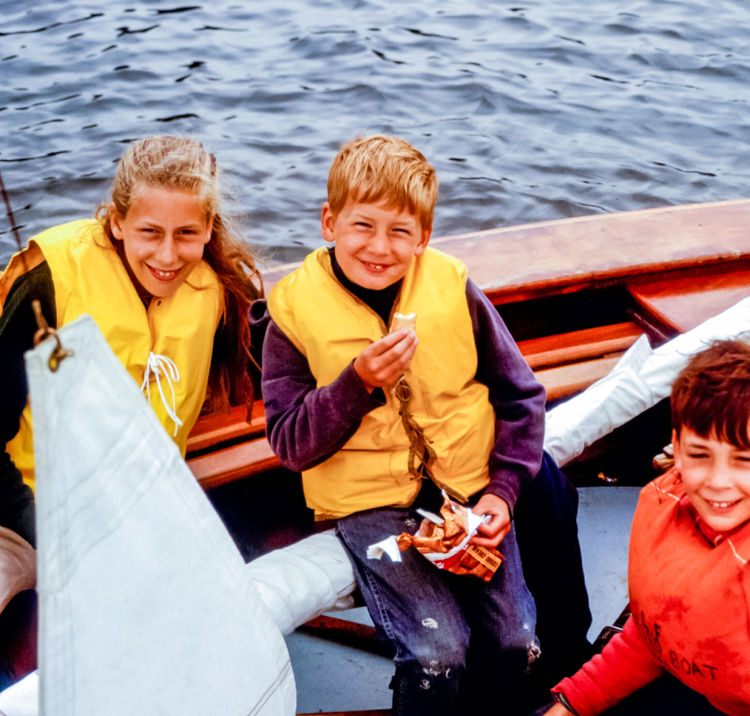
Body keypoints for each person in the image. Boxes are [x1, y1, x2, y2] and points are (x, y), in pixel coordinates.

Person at [261, 134, 590, 714]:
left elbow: (520, 396)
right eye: (362, 226)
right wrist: (355, 384)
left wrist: (503, 495)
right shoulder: (291, 313)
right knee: (438, 654)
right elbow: (289, 443)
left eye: (400, 231)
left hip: (471, 493)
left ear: (424, 237)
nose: (379, 247)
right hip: (372, 507)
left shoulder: (453, 286)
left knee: (518, 641)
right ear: (328, 222)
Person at [0, 135, 262, 686]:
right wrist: (53, 540)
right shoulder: (48, 279)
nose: (167, 256)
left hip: (140, 519)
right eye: (149, 232)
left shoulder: (216, 293)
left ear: (208, 229)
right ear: (116, 222)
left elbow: (275, 380)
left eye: (186, 234)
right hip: (23, 515)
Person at [545, 339, 750, 715]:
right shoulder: (663, 503)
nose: (719, 481)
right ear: (676, 446)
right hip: (696, 681)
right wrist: (572, 704)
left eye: (744, 460)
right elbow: (658, 634)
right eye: (700, 454)